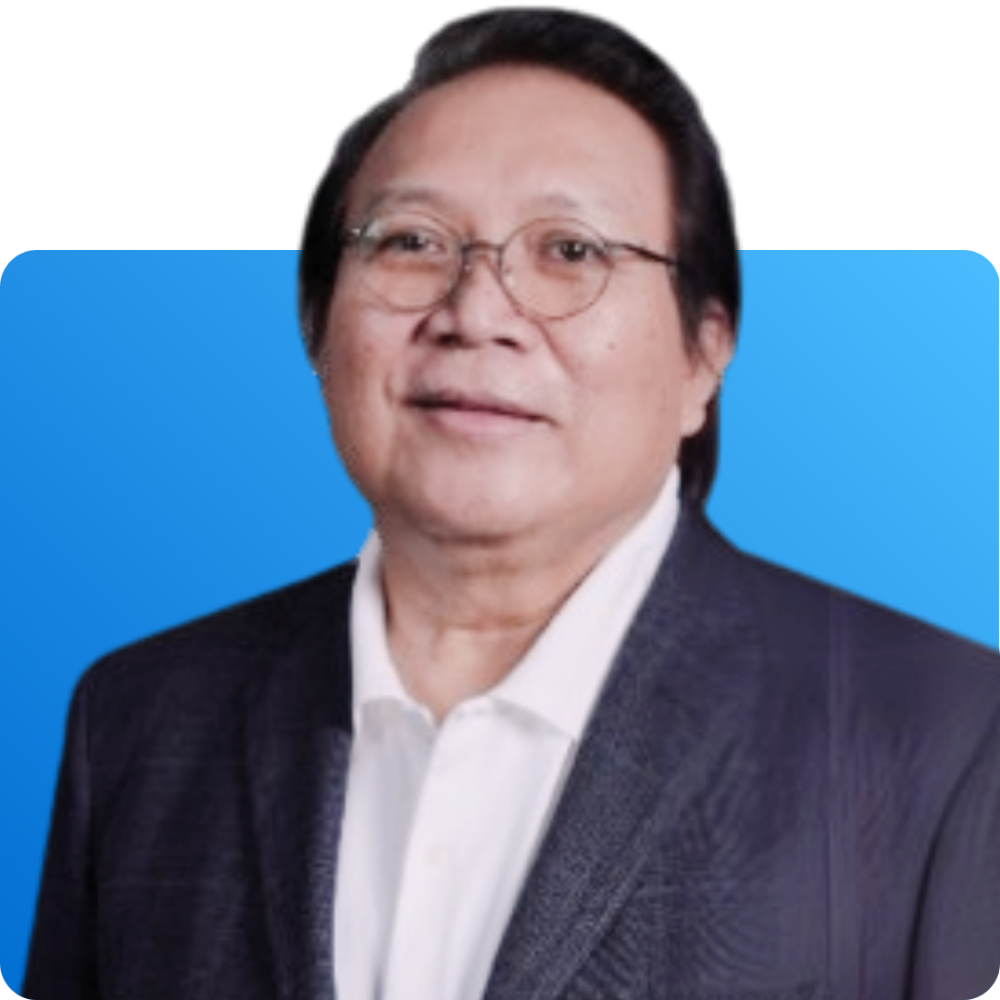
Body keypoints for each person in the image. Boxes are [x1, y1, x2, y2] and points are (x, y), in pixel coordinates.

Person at [22, 5, 1000, 1000]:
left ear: (704, 354)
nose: (477, 312)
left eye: (570, 251)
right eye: (410, 241)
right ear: (314, 322)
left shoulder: (946, 737)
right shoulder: (139, 718)